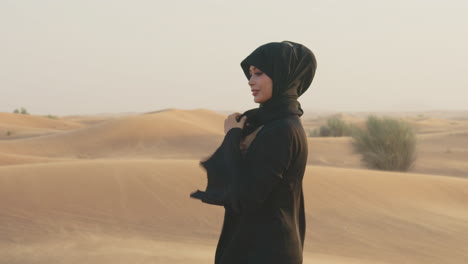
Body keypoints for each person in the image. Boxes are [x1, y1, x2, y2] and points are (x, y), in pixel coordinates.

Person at [190, 40, 317, 264]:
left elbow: (246, 198)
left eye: (258, 73)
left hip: (267, 252)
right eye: (250, 74)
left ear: (282, 75)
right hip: (259, 247)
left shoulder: (282, 130)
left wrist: (232, 137)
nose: (250, 81)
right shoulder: (271, 124)